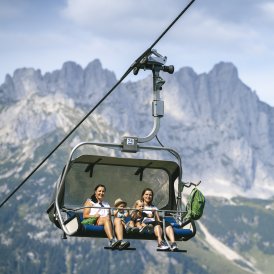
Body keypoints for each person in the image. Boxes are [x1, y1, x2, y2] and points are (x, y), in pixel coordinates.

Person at [82, 184, 130, 249]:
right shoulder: (90, 202)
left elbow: (110, 216)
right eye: (99, 191)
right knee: (106, 218)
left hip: (106, 221)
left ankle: (120, 241)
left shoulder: (106, 204)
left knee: (118, 219)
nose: (101, 193)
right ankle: (112, 241)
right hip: (95, 221)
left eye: (103, 191)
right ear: (95, 192)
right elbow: (85, 215)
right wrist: (94, 216)